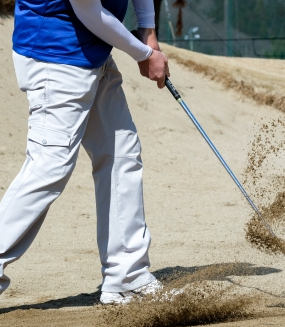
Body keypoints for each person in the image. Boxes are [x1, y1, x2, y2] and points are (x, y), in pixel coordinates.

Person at [0, 0, 169, 304]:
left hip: (93, 52)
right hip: (57, 54)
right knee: (49, 167)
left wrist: (148, 29)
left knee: (121, 154)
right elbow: (87, 8)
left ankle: (127, 276)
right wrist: (143, 54)